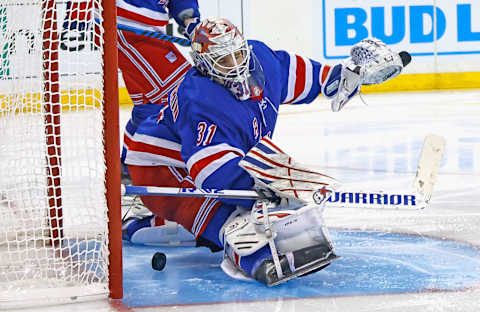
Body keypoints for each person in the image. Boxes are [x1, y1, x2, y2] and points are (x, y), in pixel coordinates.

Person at [122, 17, 409, 284]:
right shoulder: (199, 96)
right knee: (231, 220)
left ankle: (155, 226)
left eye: (238, 54)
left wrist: (341, 75)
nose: (235, 65)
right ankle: (252, 255)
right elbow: (210, 171)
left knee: (260, 202)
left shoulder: (262, 60)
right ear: (204, 65)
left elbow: (296, 73)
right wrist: (263, 190)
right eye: (223, 61)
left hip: (195, 157)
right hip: (158, 164)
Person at [117, 0, 202, 244]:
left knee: (154, 106)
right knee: (180, 98)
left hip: (145, 29)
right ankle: (173, 209)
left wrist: (190, 19)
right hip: (129, 25)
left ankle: (133, 175)